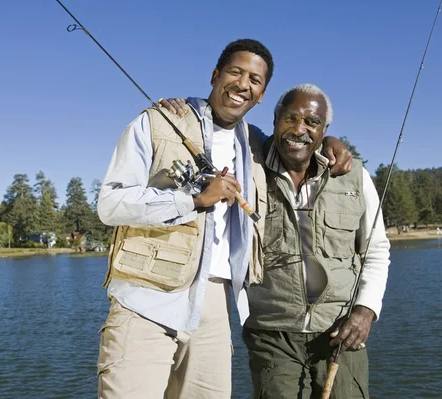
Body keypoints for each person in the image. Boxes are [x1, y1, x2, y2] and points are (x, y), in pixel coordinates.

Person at [96, 39, 351, 399]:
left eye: (255, 80)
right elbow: (110, 203)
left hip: (215, 304)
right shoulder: (158, 121)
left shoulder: (256, 142)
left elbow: (299, 137)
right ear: (215, 76)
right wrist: (195, 199)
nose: (244, 84)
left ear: (262, 95)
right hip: (145, 299)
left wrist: (330, 140)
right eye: (235, 72)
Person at [242, 83, 391, 398]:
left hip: (340, 332)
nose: (299, 129)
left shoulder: (356, 176)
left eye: (312, 122)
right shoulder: (249, 167)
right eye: (290, 118)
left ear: (325, 130)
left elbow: (376, 251)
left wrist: (366, 311)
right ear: (274, 120)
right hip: (272, 333)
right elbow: (223, 121)